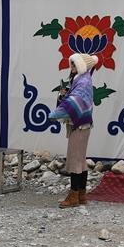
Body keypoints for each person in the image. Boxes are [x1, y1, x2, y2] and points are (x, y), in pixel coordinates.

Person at [49, 53, 97, 208]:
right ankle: (81, 194)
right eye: (71, 64)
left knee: (74, 161)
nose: (72, 67)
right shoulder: (81, 80)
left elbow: (73, 102)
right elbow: (72, 100)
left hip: (79, 125)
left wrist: (55, 114)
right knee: (80, 161)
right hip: (83, 124)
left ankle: (73, 196)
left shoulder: (82, 82)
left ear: (82, 66)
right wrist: (63, 96)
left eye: (75, 64)